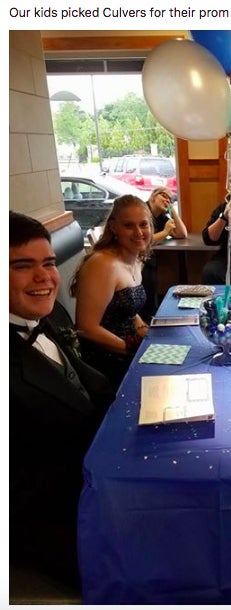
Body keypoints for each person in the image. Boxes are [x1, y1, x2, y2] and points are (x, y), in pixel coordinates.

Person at [9, 211, 114, 587]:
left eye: (49, 263)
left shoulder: (44, 318)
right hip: (53, 513)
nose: (44, 277)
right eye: (22, 266)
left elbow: (86, 387)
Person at [71, 195, 153, 391]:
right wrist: (132, 348)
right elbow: (86, 328)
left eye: (143, 224)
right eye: (129, 226)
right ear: (114, 228)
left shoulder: (136, 258)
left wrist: (147, 334)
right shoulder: (102, 264)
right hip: (105, 362)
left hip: (127, 348)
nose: (138, 232)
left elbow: (128, 311)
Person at [141, 187, 187, 319]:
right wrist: (165, 233)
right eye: (164, 195)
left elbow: (181, 233)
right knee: (149, 277)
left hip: (147, 259)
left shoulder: (160, 217)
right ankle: (146, 317)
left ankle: (149, 315)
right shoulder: (142, 211)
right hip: (135, 258)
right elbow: (142, 242)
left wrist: (172, 210)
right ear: (152, 197)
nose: (167, 199)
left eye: (170, 199)